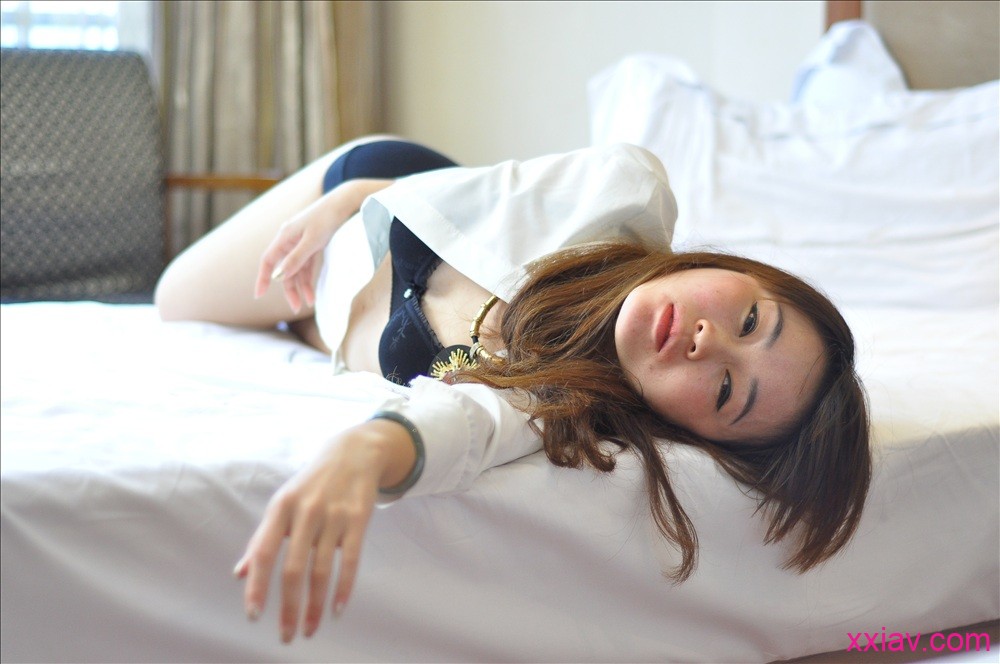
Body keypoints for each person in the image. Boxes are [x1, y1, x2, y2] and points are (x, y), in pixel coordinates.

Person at [155, 137, 870, 644]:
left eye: (725, 390)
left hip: (316, 317)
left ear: (691, 431)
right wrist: (347, 198)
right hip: (358, 197)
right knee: (174, 297)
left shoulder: (559, 401)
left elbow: (465, 425)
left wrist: (367, 451)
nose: (707, 341)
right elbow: (470, 189)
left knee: (177, 306)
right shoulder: (622, 189)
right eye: (752, 320)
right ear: (747, 273)